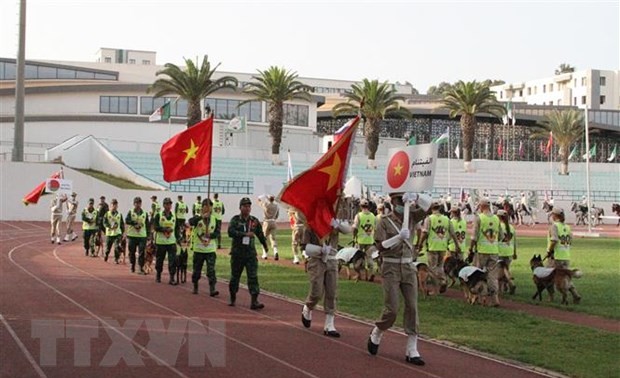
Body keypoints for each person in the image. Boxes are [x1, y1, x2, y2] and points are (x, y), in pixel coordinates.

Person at [367, 192, 431, 366]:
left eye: (404, 199)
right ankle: (378, 331)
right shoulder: (383, 221)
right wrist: (398, 237)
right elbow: (379, 246)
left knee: (412, 306)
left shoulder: (411, 217)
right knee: (392, 308)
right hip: (391, 266)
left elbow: (429, 206)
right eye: (399, 200)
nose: (402, 203)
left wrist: (416, 197)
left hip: (408, 267)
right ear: (393, 202)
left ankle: (412, 348)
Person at [301, 207, 352, 337]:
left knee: (332, 291)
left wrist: (337, 224)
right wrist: (320, 250)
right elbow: (304, 247)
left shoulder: (334, 223)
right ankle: (308, 307)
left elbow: (348, 230)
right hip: (317, 260)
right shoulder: (310, 225)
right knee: (316, 291)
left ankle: (329, 324)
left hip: (332, 260)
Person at [227, 197, 269, 309]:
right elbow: (230, 232)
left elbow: (260, 234)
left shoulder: (254, 221)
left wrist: (265, 245)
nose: (247, 208)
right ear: (240, 207)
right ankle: (233, 297)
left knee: (253, 276)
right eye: (245, 206)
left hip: (250, 254)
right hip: (237, 254)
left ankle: (254, 301)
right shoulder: (235, 220)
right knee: (235, 276)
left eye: (249, 206)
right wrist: (244, 234)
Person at [417, 201, 460, 294]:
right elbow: (453, 233)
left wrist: (420, 244)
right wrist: (457, 245)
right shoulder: (446, 219)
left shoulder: (429, 219)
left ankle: (438, 285)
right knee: (440, 266)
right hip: (443, 246)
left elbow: (425, 232)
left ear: (431, 208)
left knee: (432, 268)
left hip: (432, 246)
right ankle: (442, 281)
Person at [469, 198, 503, 306]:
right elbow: (501, 236)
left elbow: (474, 237)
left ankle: (479, 297)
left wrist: (470, 249)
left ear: (481, 206)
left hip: (482, 251)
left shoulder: (479, 218)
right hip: (494, 251)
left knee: (478, 275)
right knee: (492, 276)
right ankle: (495, 299)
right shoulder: (496, 219)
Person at [546, 207, 581, 302]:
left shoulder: (554, 226)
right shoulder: (567, 227)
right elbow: (570, 240)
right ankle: (575, 294)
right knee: (565, 277)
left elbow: (554, 240)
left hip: (556, 257)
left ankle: (551, 297)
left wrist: (549, 251)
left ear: (554, 215)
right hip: (566, 256)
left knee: (549, 277)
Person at [189, 198, 220, 296]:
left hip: (210, 249)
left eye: (210, 206)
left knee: (211, 270)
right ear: (202, 207)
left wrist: (210, 235)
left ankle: (212, 288)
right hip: (199, 249)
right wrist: (201, 216)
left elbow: (217, 232)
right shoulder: (197, 218)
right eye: (205, 206)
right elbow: (191, 222)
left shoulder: (215, 219)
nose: (208, 208)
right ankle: (195, 285)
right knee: (197, 269)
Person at [152, 197, 178, 285]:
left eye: (170, 204)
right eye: (166, 204)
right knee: (160, 260)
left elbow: (176, 228)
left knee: (172, 260)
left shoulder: (174, 215)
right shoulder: (158, 215)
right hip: (161, 242)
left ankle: (172, 278)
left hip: (171, 242)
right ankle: (158, 275)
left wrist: (178, 239)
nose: (168, 206)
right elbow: (155, 227)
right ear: (163, 205)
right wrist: (164, 229)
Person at [352, 199, 377, 281]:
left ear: (360, 206)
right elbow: (375, 228)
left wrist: (354, 237)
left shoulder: (358, 215)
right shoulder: (373, 216)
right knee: (369, 257)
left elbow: (355, 228)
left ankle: (359, 275)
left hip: (360, 240)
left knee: (359, 258)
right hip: (370, 240)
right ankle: (372, 272)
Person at [125, 196, 149, 274]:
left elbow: (147, 224)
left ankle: (140, 267)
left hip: (142, 236)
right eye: (136, 203)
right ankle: (132, 265)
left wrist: (148, 236)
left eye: (139, 203)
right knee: (132, 252)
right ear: (133, 204)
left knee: (141, 252)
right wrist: (134, 223)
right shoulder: (130, 212)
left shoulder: (145, 213)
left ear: (141, 204)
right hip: (132, 235)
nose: (137, 204)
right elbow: (127, 220)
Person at [497, 209, 517, 294]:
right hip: (509, 251)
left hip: (500, 251)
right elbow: (515, 241)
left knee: (500, 271)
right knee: (506, 269)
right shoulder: (511, 227)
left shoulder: (498, 227)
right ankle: (506, 286)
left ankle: (506, 285)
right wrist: (515, 252)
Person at [103, 199, 125, 264]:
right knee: (107, 248)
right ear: (110, 205)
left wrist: (122, 233)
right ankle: (106, 255)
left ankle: (116, 258)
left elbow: (122, 224)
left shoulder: (119, 214)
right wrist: (109, 226)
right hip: (109, 233)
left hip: (117, 233)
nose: (114, 206)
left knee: (117, 246)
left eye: (115, 205)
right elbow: (104, 222)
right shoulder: (107, 214)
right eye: (113, 204)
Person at [259, 195, 279, 260]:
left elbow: (259, 201)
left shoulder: (266, 205)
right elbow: (277, 216)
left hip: (267, 222)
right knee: (273, 238)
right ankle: (275, 251)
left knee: (264, 238)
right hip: (273, 222)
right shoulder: (276, 206)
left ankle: (265, 254)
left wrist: (261, 197)